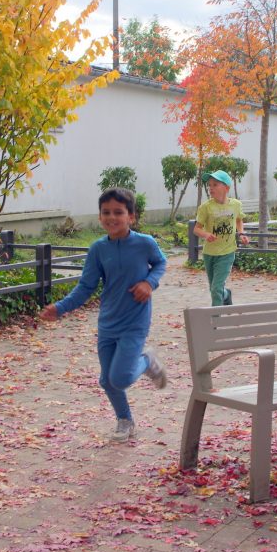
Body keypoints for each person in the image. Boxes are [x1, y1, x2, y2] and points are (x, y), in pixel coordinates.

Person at [39, 188, 168, 443]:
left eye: (118, 212)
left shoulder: (145, 243)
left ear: (131, 216)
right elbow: (86, 287)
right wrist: (60, 308)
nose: (112, 217)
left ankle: (146, 361)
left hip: (135, 322)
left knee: (120, 378)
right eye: (106, 212)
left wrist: (149, 283)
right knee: (107, 381)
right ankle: (125, 421)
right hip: (108, 323)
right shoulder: (98, 249)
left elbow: (161, 263)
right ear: (99, 217)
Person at [193, 170, 250, 306]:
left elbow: (238, 220)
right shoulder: (205, 207)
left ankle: (216, 317)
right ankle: (226, 294)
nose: (211, 188)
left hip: (227, 252)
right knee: (214, 289)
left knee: (215, 288)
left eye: (215, 184)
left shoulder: (236, 205)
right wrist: (206, 234)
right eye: (209, 185)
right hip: (209, 254)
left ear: (226, 188)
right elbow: (196, 229)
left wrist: (241, 233)